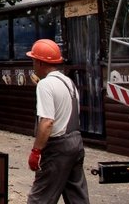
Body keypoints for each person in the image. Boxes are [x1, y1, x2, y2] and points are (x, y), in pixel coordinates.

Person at [25, 39, 90, 204]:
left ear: (40, 62)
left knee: (40, 197)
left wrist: (36, 151)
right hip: (75, 141)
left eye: (33, 60)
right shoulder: (68, 82)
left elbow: (47, 122)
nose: (32, 64)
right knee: (76, 196)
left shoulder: (45, 85)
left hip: (57, 147)